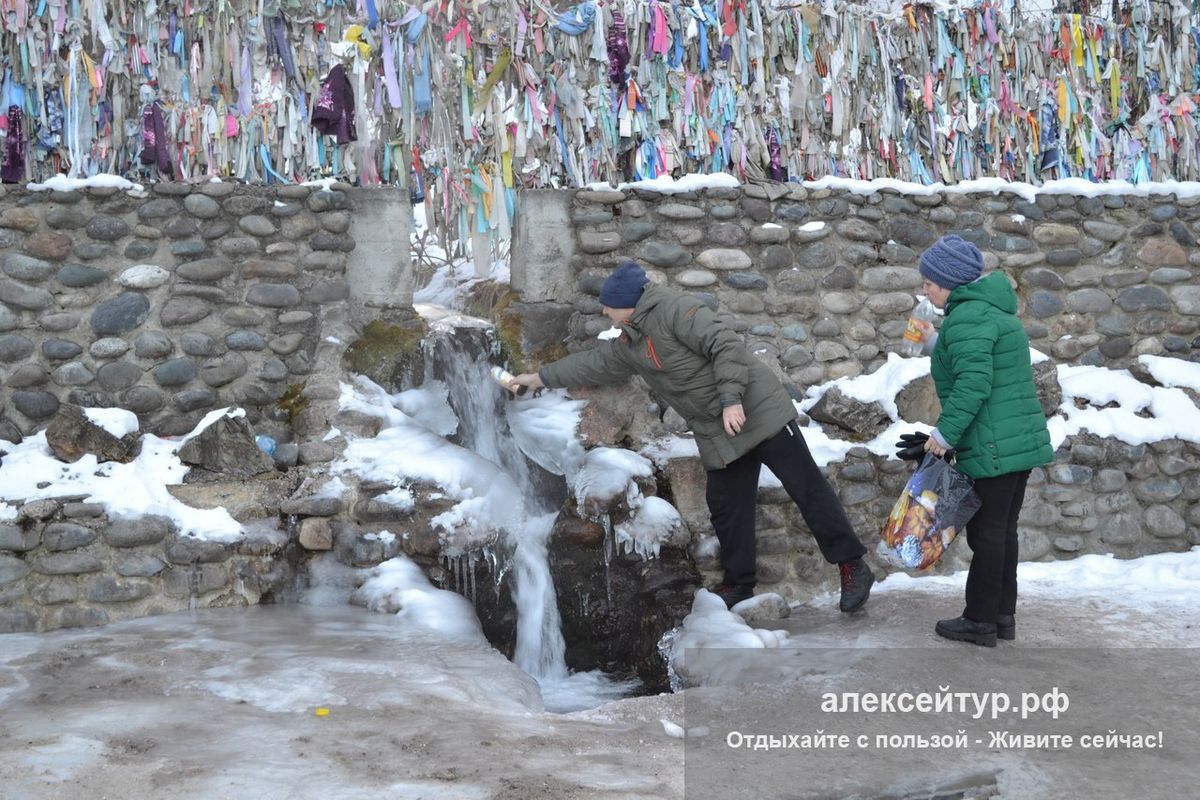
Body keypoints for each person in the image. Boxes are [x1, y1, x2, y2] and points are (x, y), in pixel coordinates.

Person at [510, 260, 875, 612]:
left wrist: (732, 399)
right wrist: (538, 379)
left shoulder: (676, 310)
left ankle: (852, 566)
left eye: (609, 308)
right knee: (726, 506)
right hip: (717, 428)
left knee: (806, 487)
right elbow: (594, 364)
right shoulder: (632, 341)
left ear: (626, 304)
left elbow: (724, 345)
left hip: (756, 409)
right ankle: (739, 584)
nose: (605, 314)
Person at [916, 235, 1054, 647]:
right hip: (1015, 441)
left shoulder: (967, 318)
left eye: (929, 281)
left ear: (949, 282)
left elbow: (974, 383)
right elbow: (981, 359)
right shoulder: (989, 311)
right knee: (1003, 531)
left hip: (992, 444)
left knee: (987, 535)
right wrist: (936, 344)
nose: (924, 288)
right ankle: (1001, 616)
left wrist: (944, 434)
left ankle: (979, 620)